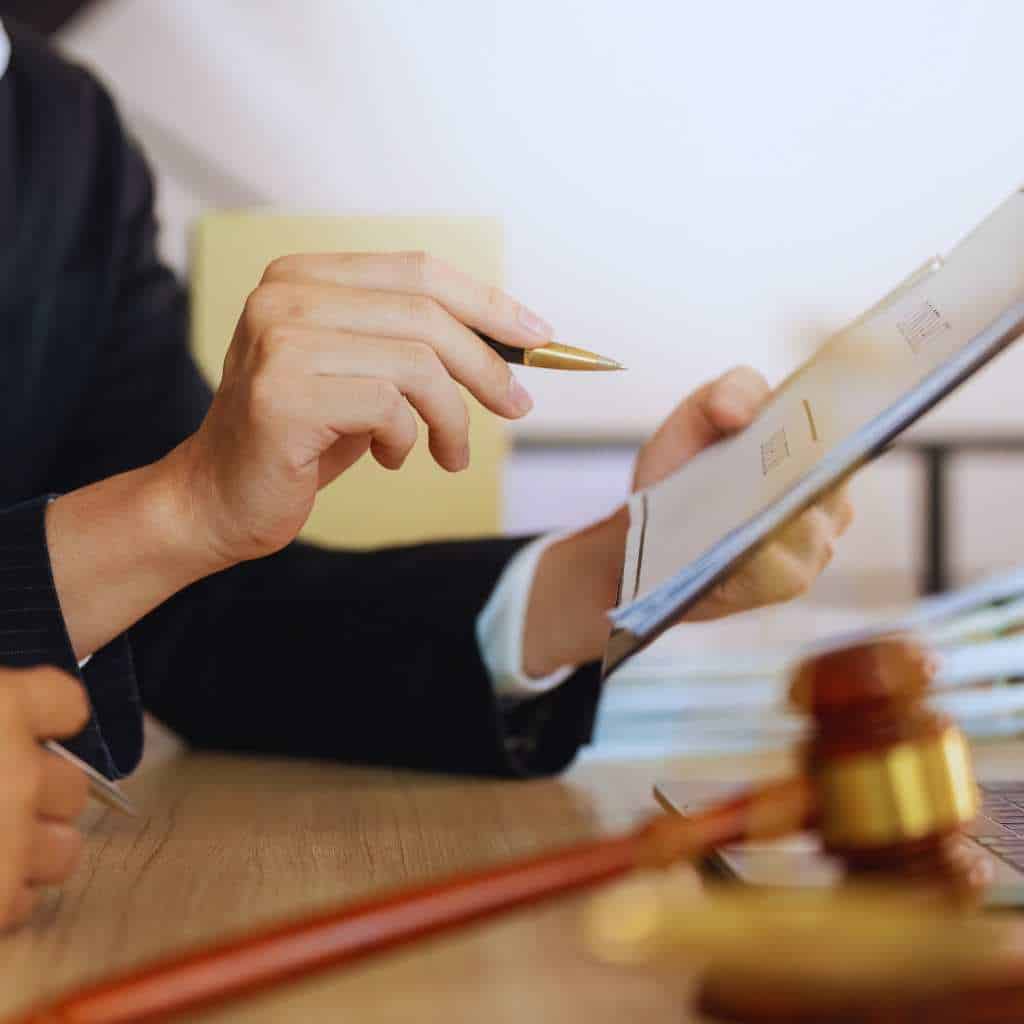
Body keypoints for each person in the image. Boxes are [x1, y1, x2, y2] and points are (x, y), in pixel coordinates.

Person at [0, 20, 853, 928]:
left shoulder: (63, 125)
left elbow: (195, 624)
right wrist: (184, 507)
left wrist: (629, 564)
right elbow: (169, 527)